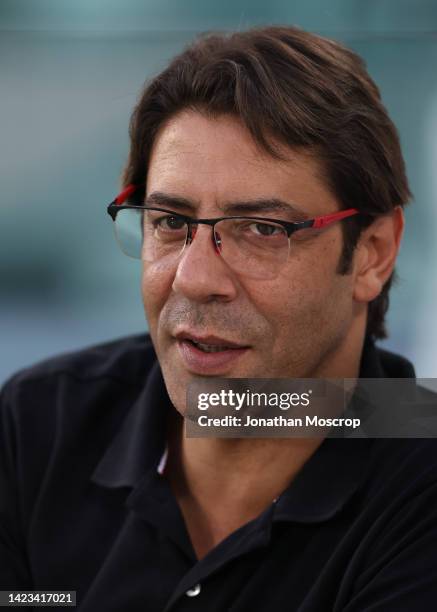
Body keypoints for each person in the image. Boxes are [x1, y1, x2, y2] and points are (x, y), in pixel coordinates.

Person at [1, 25, 437, 611]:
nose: (195, 279)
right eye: (170, 221)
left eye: (262, 229)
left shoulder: (420, 475)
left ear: (373, 253)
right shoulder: (39, 425)